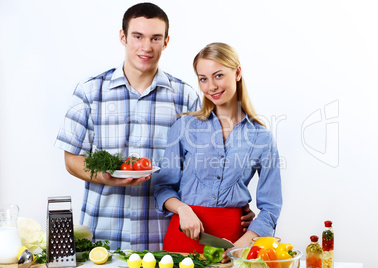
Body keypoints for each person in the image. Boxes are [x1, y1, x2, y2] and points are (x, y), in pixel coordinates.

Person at [55, 3, 254, 251]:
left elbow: (208, 165)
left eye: (155, 38)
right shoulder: (90, 91)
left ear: (166, 41)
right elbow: (72, 160)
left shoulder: (186, 97)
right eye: (138, 36)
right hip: (102, 236)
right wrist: (109, 177)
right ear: (123, 37)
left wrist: (233, 204)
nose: (146, 47)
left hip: (164, 238)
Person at [154, 42, 282, 259]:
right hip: (183, 235)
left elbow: (271, 207)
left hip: (233, 242)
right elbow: (162, 187)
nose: (211, 86)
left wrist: (242, 245)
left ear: (238, 72)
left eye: (218, 75)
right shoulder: (184, 127)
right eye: (203, 79)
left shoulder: (262, 137)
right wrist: (183, 210)